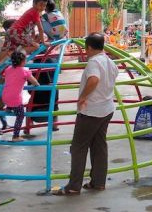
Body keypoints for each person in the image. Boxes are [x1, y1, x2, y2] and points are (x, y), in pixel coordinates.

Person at [53, 33, 118, 196]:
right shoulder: (110, 62)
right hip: (107, 109)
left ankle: (74, 186)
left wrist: (83, 96)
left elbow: (94, 79)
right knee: (99, 145)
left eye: (85, 48)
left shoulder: (94, 62)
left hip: (91, 111)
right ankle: (98, 182)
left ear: (89, 47)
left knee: (79, 148)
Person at [0, 0, 48, 81]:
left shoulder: (31, 12)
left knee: (0, 56)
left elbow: (32, 30)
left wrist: (32, 40)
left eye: (44, 5)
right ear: (34, 4)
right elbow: (40, 29)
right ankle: (15, 54)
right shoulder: (35, 12)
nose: (42, 7)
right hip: (17, 32)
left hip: (11, 32)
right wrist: (43, 42)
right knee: (36, 46)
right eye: (41, 5)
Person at [2, 50, 40, 142]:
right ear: (23, 61)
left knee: (12, 102)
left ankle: (9, 108)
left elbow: (6, 76)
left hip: (5, 97)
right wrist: (36, 84)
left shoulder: (8, 69)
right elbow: (35, 82)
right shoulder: (24, 71)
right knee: (20, 115)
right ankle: (15, 136)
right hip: (15, 98)